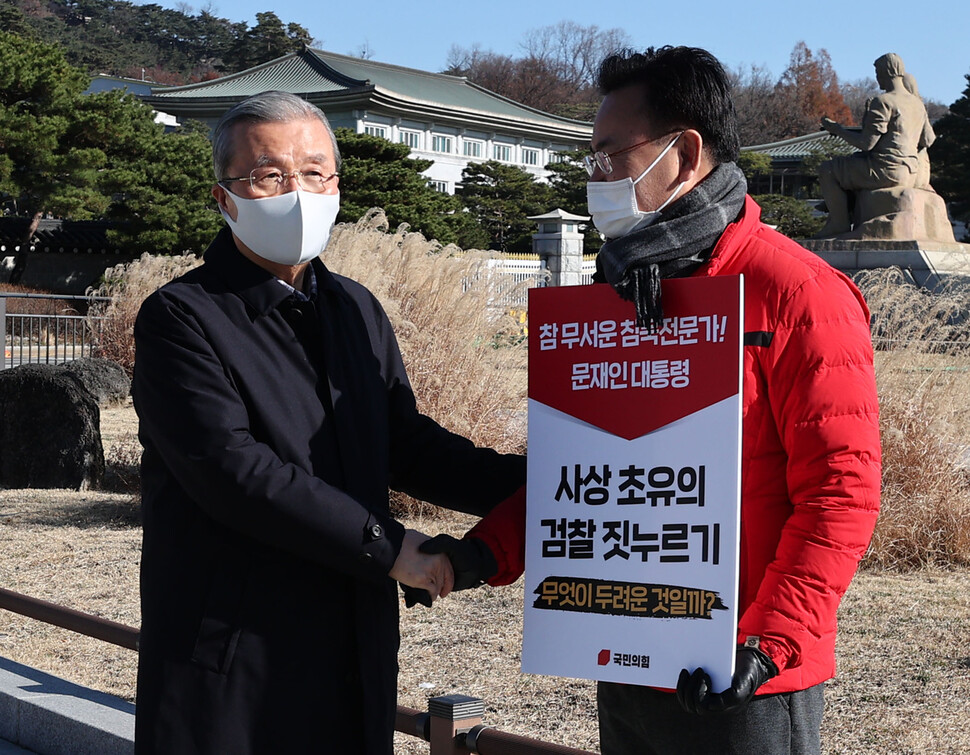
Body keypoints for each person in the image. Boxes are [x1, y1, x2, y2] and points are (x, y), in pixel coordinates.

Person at [422, 46, 881, 755]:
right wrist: (485, 552)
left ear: (685, 150)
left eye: (612, 156)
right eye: (592, 159)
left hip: (744, 677)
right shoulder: (616, 299)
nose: (596, 177)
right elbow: (587, 477)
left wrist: (770, 641)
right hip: (627, 655)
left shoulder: (797, 293)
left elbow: (840, 493)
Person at [131, 90, 526, 755]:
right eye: (269, 175)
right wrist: (388, 545)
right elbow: (236, 472)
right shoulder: (182, 317)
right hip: (237, 655)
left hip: (353, 641)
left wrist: (549, 480)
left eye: (314, 173)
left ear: (336, 185)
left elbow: (406, 445)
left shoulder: (354, 309)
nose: (297, 191)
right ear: (225, 197)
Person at [816, 52, 934, 236]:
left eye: (878, 73)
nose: (877, 79)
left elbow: (866, 144)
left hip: (886, 170)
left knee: (828, 169)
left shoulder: (884, 101)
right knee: (853, 162)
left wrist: (838, 130)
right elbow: (927, 140)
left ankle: (839, 223)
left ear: (886, 72)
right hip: (910, 172)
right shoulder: (917, 104)